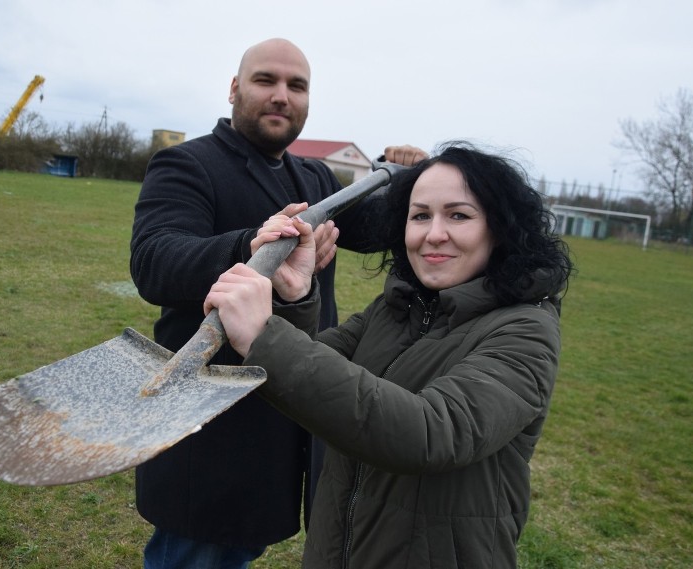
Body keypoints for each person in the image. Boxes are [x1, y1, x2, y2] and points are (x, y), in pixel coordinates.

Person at [205, 141, 575, 569]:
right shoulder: (399, 307)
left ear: (501, 227)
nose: (434, 233)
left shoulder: (526, 330)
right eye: (420, 216)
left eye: (459, 215)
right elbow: (313, 377)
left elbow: (430, 434)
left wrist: (263, 335)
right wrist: (295, 294)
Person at [130, 36, 426, 568]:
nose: (281, 96)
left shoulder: (311, 176)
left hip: (284, 409)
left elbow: (380, 226)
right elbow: (154, 261)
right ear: (234, 88)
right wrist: (252, 248)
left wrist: (410, 183)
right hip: (210, 425)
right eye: (266, 80)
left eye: (297, 86)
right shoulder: (186, 164)